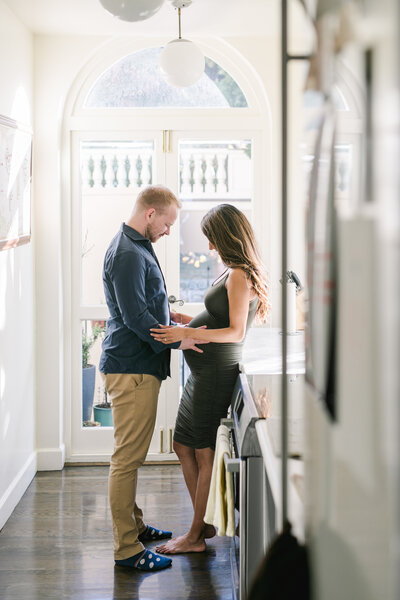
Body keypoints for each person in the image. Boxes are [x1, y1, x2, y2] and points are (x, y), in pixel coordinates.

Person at [150, 204, 269, 554]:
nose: (209, 246)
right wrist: (184, 320)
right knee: (182, 445)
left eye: (212, 239)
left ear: (226, 235)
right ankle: (203, 523)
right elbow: (219, 320)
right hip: (202, 373)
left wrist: (184, 331)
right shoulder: (231, 270)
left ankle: (195, 536)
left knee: (202, 452)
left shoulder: (239, 275)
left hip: (215, 374)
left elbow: (234, 332)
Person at [99, 185, 205, 572]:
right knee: (127, 459)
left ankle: (136, 526)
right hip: (131, 368)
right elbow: (134, 318)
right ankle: (126, 548)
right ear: (150, 214)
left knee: (129, 456)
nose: (169, 230)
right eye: (167, 222)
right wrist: (182, 341)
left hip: (136, 364)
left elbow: (144, 304)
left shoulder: (136, 244)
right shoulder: (128, 252)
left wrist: (171, 317)